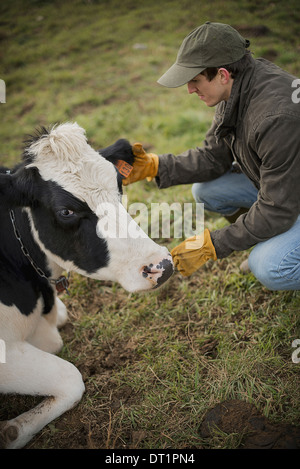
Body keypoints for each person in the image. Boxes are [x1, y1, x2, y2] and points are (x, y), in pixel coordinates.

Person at [123, 22, 300, 291]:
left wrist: (211, 245)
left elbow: (277, 209)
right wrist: (155, 167)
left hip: (286, 199)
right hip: (286, 189)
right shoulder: (238, 89)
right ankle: (273, 240)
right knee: (208, 190)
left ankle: (275, 249)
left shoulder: (275, 117)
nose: (190, 90)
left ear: (222, 74)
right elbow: (212, 158)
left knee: (271, 267)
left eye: (195, 80)